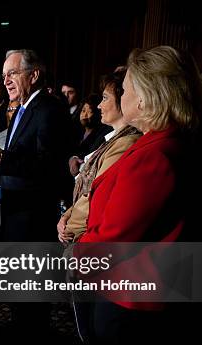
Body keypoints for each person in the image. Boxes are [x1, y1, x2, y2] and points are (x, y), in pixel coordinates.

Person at [73, 46, 202, 345]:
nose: (121, 94)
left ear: (145, 100)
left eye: (126, 89)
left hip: (129, 303)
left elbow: (114, 239)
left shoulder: (156, 156)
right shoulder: (157, 143)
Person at [0, 49, 72, 241]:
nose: (5, 81)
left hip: (34, 220)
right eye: (4, 75)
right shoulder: (19, 111)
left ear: (34, 75)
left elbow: (46, 166)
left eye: (12, 73)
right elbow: (16, 160)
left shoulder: (50, 109)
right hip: (12, 213)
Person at [57, 69, 142, 243]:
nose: (99, 106)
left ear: (123, 101)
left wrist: (70, 228)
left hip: (86, 238)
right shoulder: (112, 139)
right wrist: (65, 216)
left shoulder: (126, 142)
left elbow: (96, 196)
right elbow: (85, 192)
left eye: (105, 98)